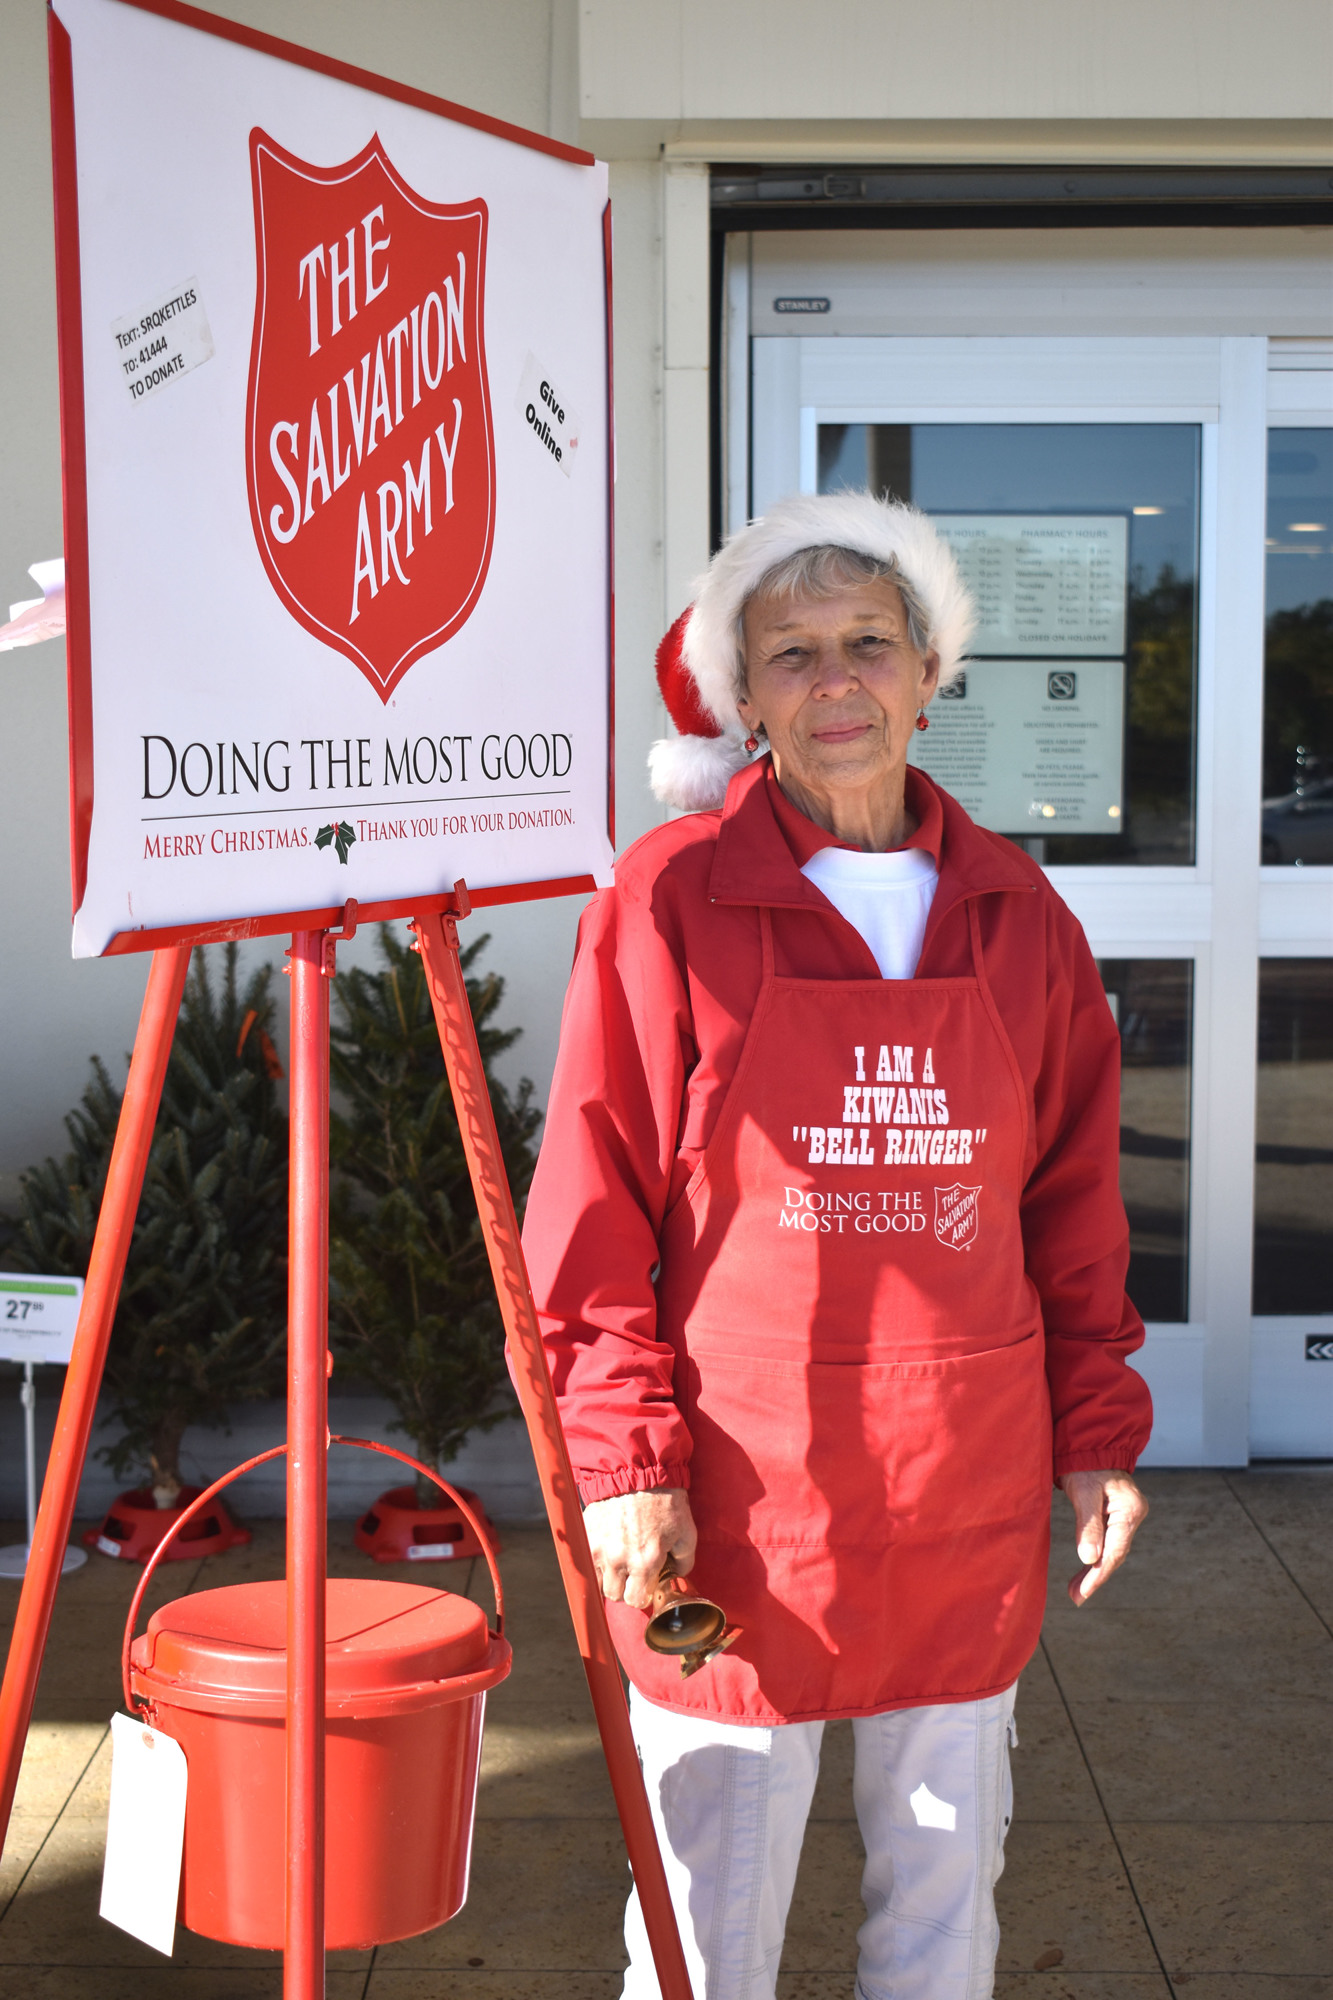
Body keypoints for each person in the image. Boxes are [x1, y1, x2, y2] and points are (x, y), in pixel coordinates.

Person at [521, 491, 1152, 2000]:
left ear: (931, 670)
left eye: (867, 642)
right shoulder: (664, 904)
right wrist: (623, 1459)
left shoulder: (1017, 915)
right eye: (790, 653)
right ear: (742, 699)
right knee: (705, 1900)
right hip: (737, 1483)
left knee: (945, 1888)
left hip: (961, 1464)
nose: (834, 681)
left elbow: (1067, 1206)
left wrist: (1095, 1434)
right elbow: (591, 1207)